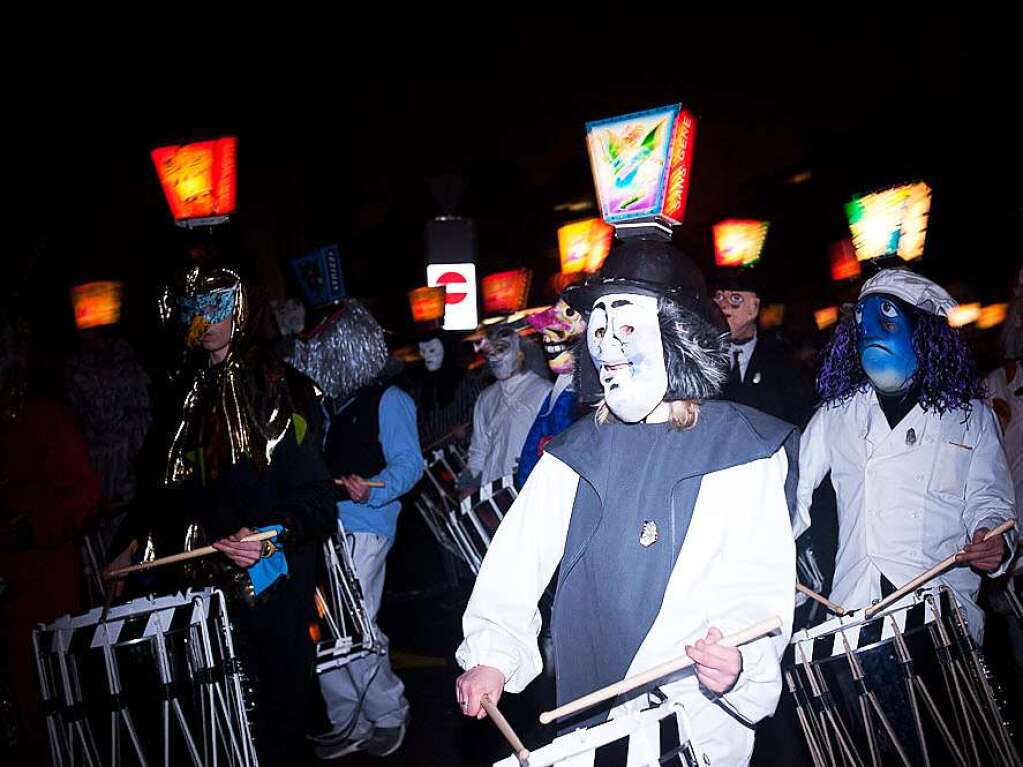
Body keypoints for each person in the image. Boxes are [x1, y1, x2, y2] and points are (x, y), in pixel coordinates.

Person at [455, 239, 797, 765]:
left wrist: (738, 662)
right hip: (591, 722)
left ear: (678, 335)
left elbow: (756, 581)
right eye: (598, 326)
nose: (607, 344)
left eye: (628, 326)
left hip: (695, 722)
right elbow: (516, 564)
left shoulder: (742, 450)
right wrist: (492, 657)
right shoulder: (572, 454)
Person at [108, 266, 337, 767]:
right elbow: (161, 489)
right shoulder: (182, 396)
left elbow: (318, 501)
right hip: (202, 591)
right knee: (218, 724)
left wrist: (270, 535)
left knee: (279, 718)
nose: (204, 319)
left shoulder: (281, 388)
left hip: (270, 581)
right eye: (194, 308)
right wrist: (132, 538)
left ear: (240, 307)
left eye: (216, 305)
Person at [797, 268, 1018, 642]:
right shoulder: (836, 415)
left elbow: (989, 500)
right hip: (856, 610)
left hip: (943, 612)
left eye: (886, 317)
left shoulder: (971, 417)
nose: (869, 332)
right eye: (862, 322)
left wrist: (993, 540)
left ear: (923, 332)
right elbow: (793, 498)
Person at [284, 299, 422, 759]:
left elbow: (409, 465)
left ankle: (387, 714)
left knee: (355, 625)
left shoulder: (390, 398)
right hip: (326, 529)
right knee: (327, 631)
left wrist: (373, 489)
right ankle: (349, 722)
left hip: (366, 526)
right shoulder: (330, 410)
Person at [0, 310, 100, 752]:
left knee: (56, 710)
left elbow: (84, 496)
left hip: (42, 592)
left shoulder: (43, 415)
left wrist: (31, 529)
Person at [713, 267, 813, 429]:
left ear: (754, 307)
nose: (723, 306)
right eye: (718, 297)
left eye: (735, 298)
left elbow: (798, 417)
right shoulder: (705, 358)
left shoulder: (782, 361)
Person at [463, 322, 551, 490]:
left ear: (520, 352)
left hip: (529, 489)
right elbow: (478, 449)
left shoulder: (544, 392)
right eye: (490, 351)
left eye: (501, 349)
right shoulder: (486, 397)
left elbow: (553, 444)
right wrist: (471, 484)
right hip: (492, 491)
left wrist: (533, 464)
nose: (494, 357)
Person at [515, 299, 586, 486]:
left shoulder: (604, 395)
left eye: (569, 314)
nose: (546, 333)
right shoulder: (559, 393)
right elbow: (531, 457)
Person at [404, 329, 483, 449]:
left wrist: (466, 432)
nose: (427, 356)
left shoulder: (467, 381)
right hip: (431, 458)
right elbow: (414, 421)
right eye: (423, 351)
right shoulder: (419, 387)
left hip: (461, 454)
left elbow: (482, 415)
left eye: (432, 350)